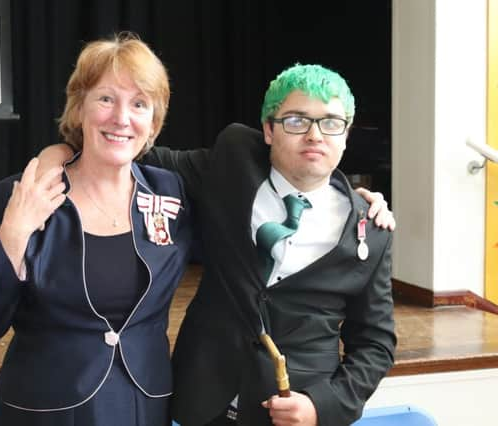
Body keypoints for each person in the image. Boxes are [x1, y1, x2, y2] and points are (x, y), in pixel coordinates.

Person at [37, 63, 396, 426]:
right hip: (203, 398)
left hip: (295, 409)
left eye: (331, 122)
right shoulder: (231, 162)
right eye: (296, 120)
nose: (315, 135)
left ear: (346, 134)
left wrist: (325, 405)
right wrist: (60, 155)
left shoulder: (372, 227)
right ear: (269, 130)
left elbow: (375, 344)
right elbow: (130, 152)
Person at [0, 33, 193, 426]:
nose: (121, 117)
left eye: (139, 104)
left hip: (144, 405)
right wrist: (16, 229)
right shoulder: (20, 195)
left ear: (154, 121)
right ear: (79, 107)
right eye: (106, 98)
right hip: (47, 411)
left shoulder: (171, 192)